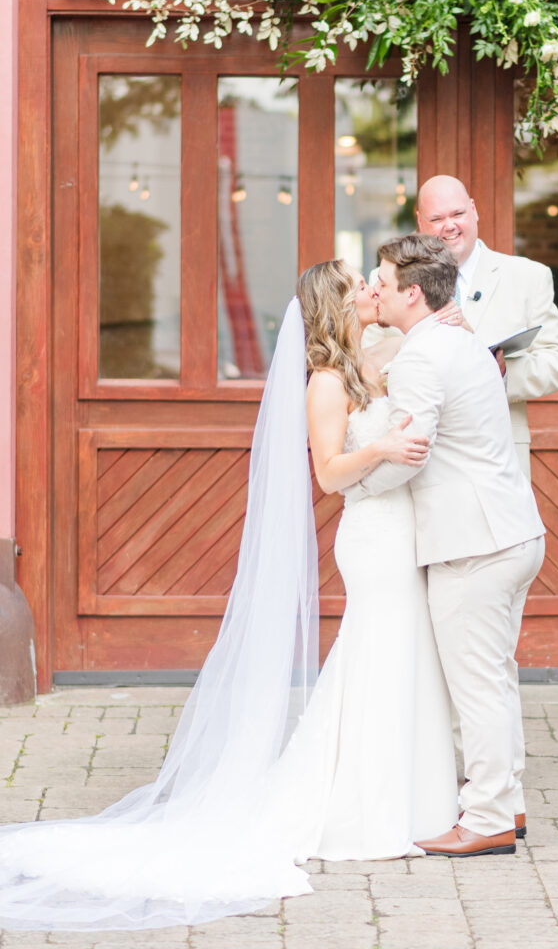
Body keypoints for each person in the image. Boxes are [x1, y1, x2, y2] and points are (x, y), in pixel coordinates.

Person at [0, 260, 459, 932]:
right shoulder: (328, 383)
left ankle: (408, 796)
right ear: (336, 305)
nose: (370, 289)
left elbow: (420, 351)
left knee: (388, 664)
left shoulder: (368, 363)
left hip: (396, 536)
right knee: (377, 659)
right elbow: (330, 475)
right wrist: (385, 445)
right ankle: (367, 806)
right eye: (358, 284)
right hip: (370, 541)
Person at [349, 234, 546, 857]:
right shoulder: (458, 339)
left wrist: (354, 483)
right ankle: (506, 804)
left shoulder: (420, 358)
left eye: (381, 278)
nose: (373, 287)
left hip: (474, 544)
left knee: (478, 686)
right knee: (496, 677)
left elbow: (410, 453)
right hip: (514, 531)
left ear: (413, 293)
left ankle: (486, 818)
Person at [415, 175, 558, 477]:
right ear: (420, 222)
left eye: (458, 214)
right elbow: (375, 362)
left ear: (474, 210)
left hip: (500, 460)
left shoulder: (528, 277)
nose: (449, 226)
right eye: (436, 218)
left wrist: (502, 371)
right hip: (422, 461)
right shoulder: (393, 282)